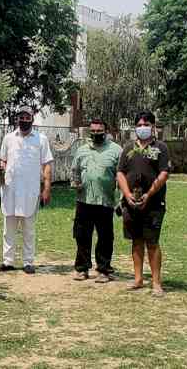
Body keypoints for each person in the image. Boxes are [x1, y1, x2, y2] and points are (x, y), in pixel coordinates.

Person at [0, 106, 54, 274]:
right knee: (9, 227)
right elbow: (2, 161)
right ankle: (8, 261)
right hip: (10, 189)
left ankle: (28, 261)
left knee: (29, 228)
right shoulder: (8, 138)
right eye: (22, 117)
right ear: (17, 118)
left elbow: (47, 165)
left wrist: (47, 189)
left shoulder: (41, 139)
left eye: (28, 117)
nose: (24, 120)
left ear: (32, 119)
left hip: (30, 190)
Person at [117, 111, 170, 296]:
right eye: (139, 125)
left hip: (153, 203)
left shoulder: (160, 148)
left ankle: (156, 282)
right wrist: (127, 194)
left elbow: (164, 173)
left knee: (152, 243)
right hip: (131, 203)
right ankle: (138, 279)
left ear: (153, 127)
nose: (142, 128)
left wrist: (149, 193)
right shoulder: (128, 148)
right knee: (136, 241)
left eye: (146, 124)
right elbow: (120, 173)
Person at [70, 118, 122, 283]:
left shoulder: (116, 151)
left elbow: (121, 176)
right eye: (93, 131)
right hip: (84, 200)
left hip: (105, 201)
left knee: (105, 237)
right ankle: (82, 268)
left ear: (106, 132)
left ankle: (103, 270)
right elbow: (75, 170)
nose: (96, 134)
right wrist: (75, 182)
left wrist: (121, 198)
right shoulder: (82, 150)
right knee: (82, 235)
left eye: (99, 131)